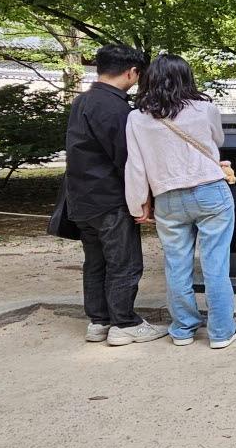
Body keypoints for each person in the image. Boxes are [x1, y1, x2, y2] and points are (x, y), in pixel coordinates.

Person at [125, 55, 236, 349]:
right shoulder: (205, 109)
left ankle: (183, 329)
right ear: (186, 78)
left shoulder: (137, 118)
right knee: (216, 263)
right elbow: (219, 139)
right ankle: (221, 331)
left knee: (176, 265)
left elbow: (136, 166)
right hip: (210, 190)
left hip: (167, 198)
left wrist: (139, 203)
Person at [65, 45, 168, 346]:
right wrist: (143, 200)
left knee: (95, 262)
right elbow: (127, 160)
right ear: (131, 72)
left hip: (81, 198)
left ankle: (99, 321)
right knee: (123, 261)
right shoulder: (117, 108)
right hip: (110, 198)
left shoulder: (82, 101)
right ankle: (124, 322)